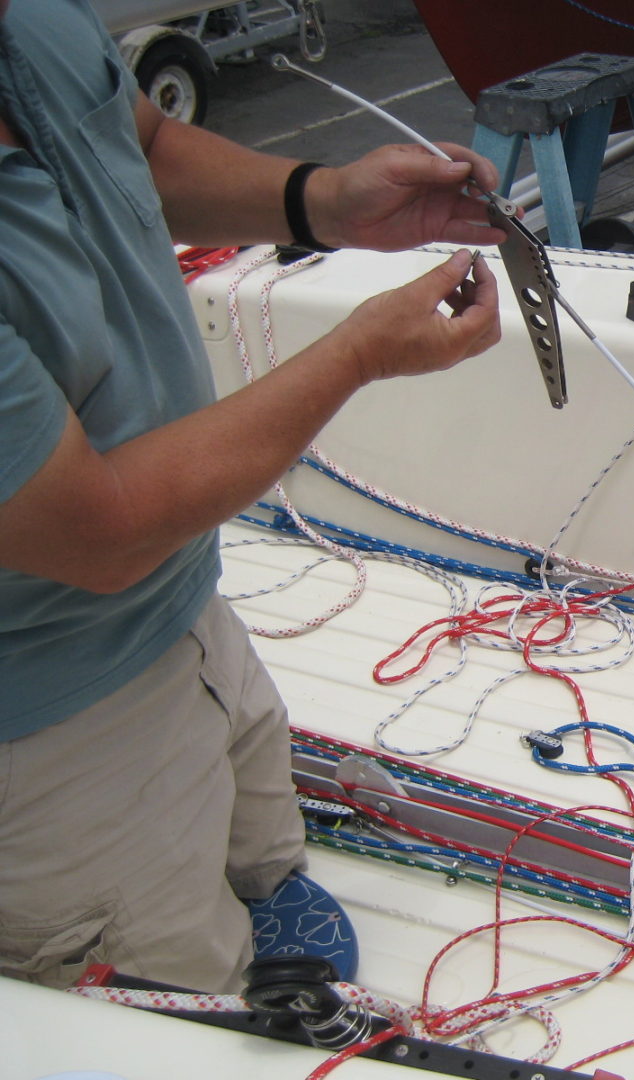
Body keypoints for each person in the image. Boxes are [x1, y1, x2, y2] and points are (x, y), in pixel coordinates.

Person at [0, 0, 504, 993]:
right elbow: (97, 532)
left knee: (260, 844)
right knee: (175, 1000)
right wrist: (357, 354)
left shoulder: (29, 22)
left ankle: (248, 892)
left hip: (184, 598)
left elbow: (134, 141)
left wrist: (325, 201)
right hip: (49, 716)